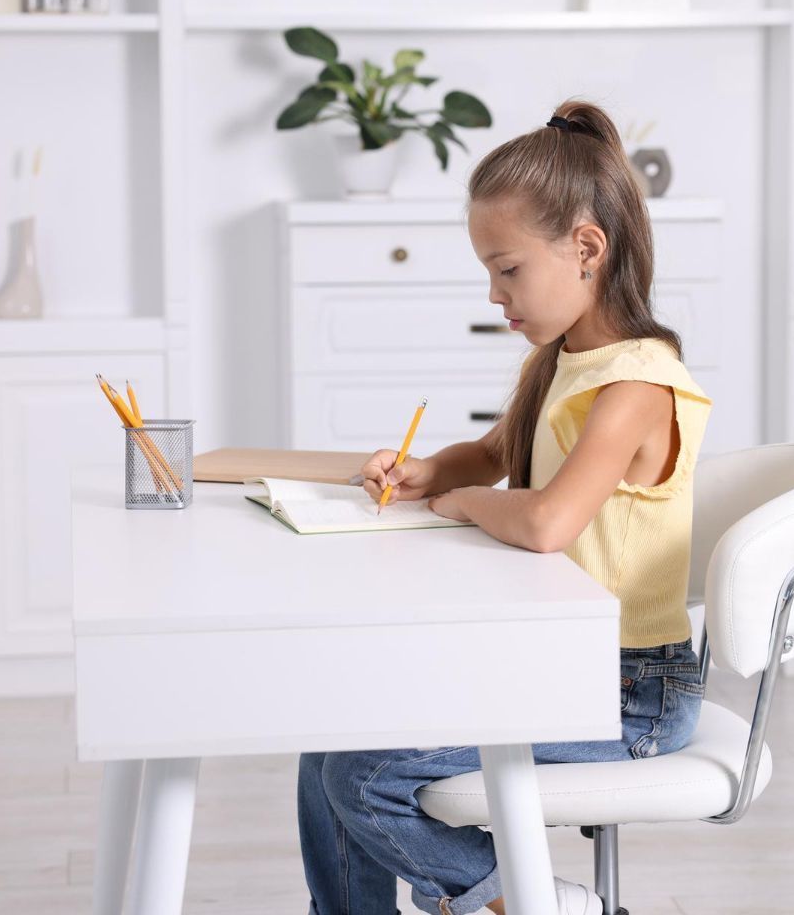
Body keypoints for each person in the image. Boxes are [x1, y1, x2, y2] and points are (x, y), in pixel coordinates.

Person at [297, 99, 713, 915]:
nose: (496, 294)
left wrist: (459, 504)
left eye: (509, 268)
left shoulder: (636, 383)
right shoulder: (562, 361)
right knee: (328, 739)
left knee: (366, 775)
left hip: (630, 692)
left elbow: (547, 519)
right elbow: (491, 457)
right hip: (548, 659)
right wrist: (424, 471)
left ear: (586, 248)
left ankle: (524, 903)